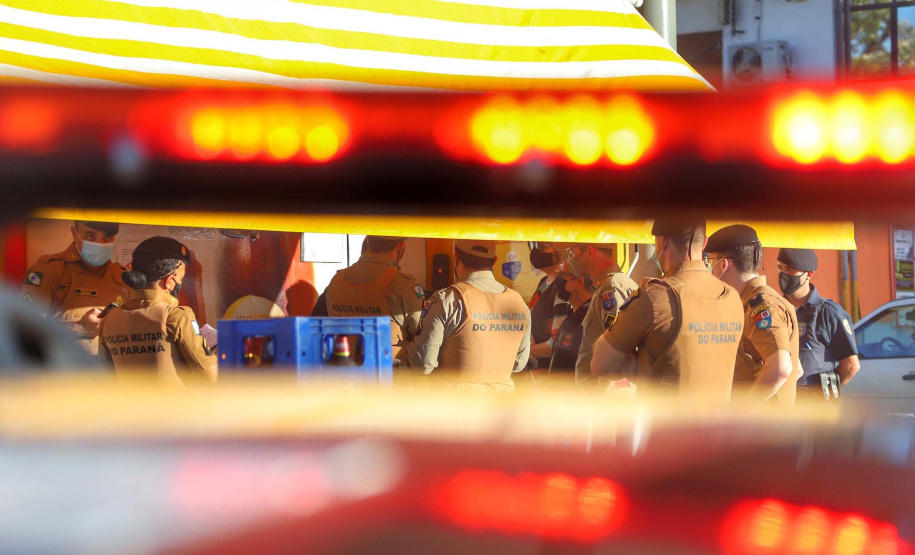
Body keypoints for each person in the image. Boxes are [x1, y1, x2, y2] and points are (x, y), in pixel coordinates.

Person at [590, 218, 744, 402]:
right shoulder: (733, 297)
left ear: (662, 242)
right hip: (717, 428)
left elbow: (601, 363)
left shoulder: (656, 296)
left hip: (665, 427)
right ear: (704, 243)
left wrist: (639, 369)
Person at [405, 240, 531, 390]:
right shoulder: (519, 303)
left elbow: (423, 364)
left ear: (456, 256)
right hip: (501, 406)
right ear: (495, 260)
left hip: (457, 406)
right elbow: (519, 364)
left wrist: (408, 347)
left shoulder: (446, 299)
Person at [99, 237, 217, 385]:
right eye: (180, 279)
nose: (180, 284)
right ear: (169, 281)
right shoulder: (177, 316)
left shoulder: (108, 320)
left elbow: (106, 379)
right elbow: (211, 377)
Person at [705, 225, 800, 405]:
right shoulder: (750, 301)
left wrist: (744, 411)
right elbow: (798, 369)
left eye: (710, 263)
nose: (710, 271)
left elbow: (781, 368)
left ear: (723, 265)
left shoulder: (761, 305)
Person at [20, 220, 130, 355]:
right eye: (90, 236)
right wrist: (80, 328)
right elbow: (24, 330)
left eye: (107, 237)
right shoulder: (49, 270)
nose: (99, 243)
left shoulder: (121, 275)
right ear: (74, 233)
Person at [315, 236, 425, 357]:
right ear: (401, 247)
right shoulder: (403, 284)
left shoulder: (336, 280)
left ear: (368, 240)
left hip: (345, 368)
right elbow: (423, 335)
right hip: (390, 371)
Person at [777, 248, 859, 401]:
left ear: (809, 274)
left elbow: (851, 366)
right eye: (780, 267)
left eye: (790, 269)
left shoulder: (829, 313)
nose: (783, 273)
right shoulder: (776, 308)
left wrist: (825, 392)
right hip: (782, 403)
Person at [561, 243, 637, 384]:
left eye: (572, 252)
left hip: (601, 399)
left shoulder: (610, 289)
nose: (570, 259)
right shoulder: (610, 285)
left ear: (589, 252)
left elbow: (617, 353)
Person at [527, 243, 568, 371]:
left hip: (549, 371)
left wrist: (527, 353)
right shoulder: (544, 282)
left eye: (545, 245)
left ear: (560, 251)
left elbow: (556, 344)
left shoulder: (563, 288)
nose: (538, 250)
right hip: (535, 366)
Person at [549, 262, 594, 374]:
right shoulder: (574, 312)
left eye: (562, 276)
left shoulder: (590, 317)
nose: (558, 280)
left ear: (579, 282)